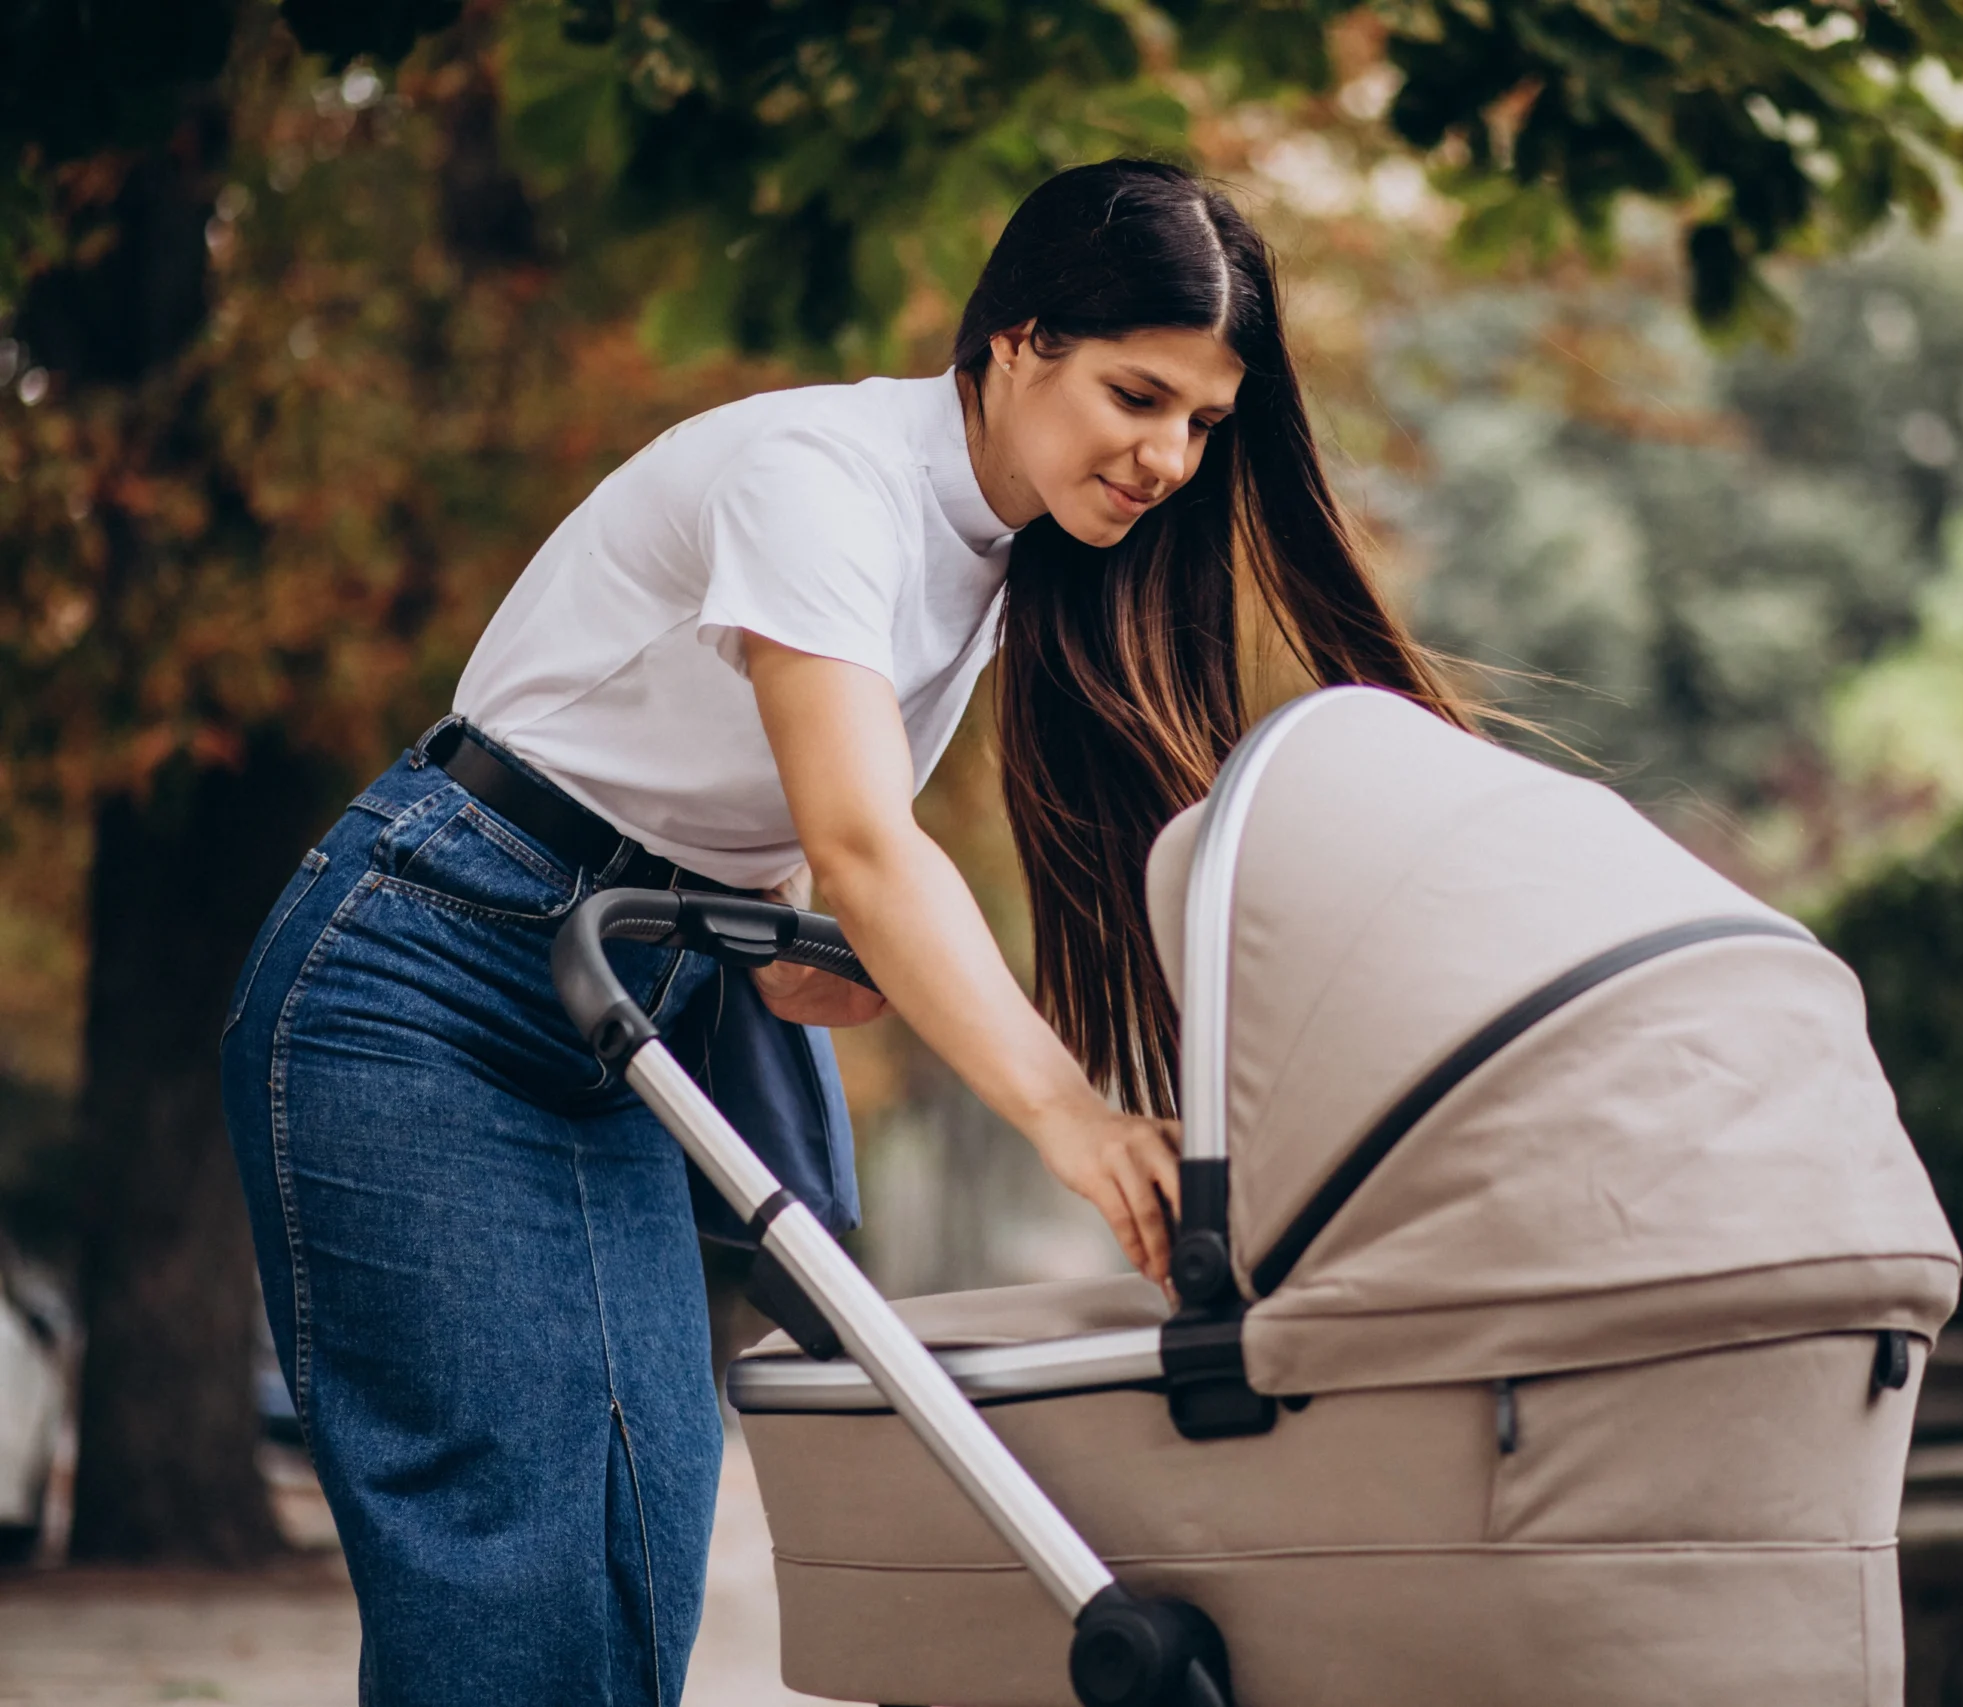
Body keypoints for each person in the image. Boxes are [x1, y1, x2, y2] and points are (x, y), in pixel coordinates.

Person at [218, 158, 1465, 1705]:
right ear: (1017, 339)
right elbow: (870, 845)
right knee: (513, 1549)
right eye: (1138, 396)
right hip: (424, 977)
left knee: (640, 1516)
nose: (1167, 457)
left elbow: (768, 819)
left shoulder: (997, 560)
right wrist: (1071, 1117)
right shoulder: (818, 479)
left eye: (1204, 423)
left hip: (612, 995)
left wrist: (777, 928)